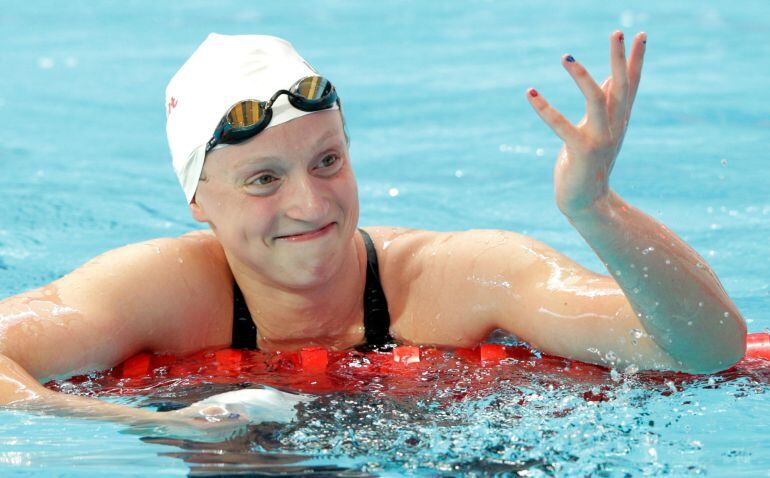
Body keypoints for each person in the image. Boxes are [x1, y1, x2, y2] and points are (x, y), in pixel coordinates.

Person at [0, 31, 746, 440]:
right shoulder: (160, 291)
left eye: (328, 161)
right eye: (264, 179)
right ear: (198, 200)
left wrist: (596, 209)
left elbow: (706, 352)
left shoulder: (456, 276)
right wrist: (147, 423)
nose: (309, 202)